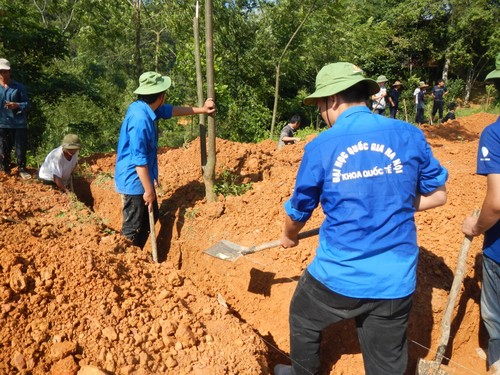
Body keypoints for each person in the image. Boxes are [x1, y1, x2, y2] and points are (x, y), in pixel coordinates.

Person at [274, 62, 448, 375]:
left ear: (333, 100)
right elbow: (438, 195)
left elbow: (299, 210)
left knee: (302, 314)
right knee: (386, 362)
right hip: (396, 278)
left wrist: (288, 235)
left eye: (320, 106)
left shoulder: (321, 146)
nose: (321, 114)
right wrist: (391, 202)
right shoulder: (409, 133)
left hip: (339, 275)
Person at [115, 71, 215, 250]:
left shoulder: (144, 108)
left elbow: (171, 110)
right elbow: (139, 160)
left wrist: (202, 109)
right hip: (134, 180)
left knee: (147, 223)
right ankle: (124, 262)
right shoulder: (140, 119)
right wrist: (148, 190)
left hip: (142, 178)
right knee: (132, 228)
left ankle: (136, 256)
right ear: (161, 96)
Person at [462, 53, 500, 374]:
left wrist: (476, 225)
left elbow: (497, 202)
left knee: (496, 322)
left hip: (499, 251)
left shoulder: (495, 133)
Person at [0, 58, 30, 180]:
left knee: (20, 148)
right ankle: (4, 170)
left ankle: (21, 169)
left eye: (5, 71)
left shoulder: (18, 87)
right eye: (1, 71)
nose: (3, 74)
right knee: (3, 148)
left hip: (18, 123)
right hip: (2, 124)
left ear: (9, 72)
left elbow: (27, 104)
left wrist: (17, 105)